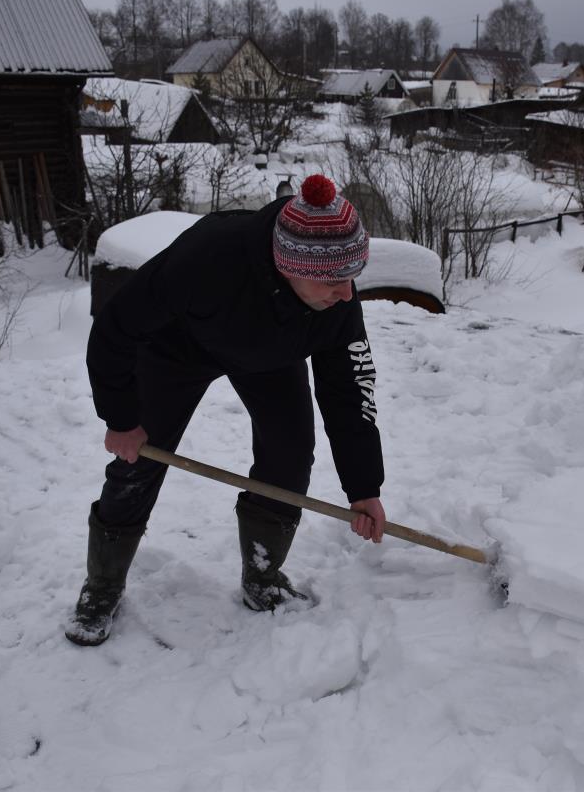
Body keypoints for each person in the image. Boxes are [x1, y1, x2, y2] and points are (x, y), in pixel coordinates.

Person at [66, 175, 386, 647]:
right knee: (139, 460)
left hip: (269, 355)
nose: (346, 293)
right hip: (180, 347)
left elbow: (349, 389)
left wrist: (364, 486)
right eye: (334, 281)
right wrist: (120, 418)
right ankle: (103, 584)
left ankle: (262, 573)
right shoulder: (207, 258)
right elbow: (116, 327)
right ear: (289, 265)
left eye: (352, 277)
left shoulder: (336, 302)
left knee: (290, 452)